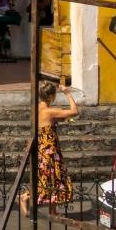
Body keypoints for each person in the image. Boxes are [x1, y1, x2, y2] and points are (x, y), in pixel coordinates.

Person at [22, 80, 80, 214]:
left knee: (48, 177)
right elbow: (74, 111)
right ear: (50, 97)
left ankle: (52, 210)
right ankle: (25, 197)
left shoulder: (36, 108)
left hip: (41, 147)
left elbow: (44, 124)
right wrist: (67, 93)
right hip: (49, 149)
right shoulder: (49, 111)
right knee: (49, 177)